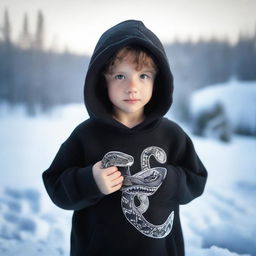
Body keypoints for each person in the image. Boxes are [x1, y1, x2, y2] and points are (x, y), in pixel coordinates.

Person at [42, 20, 207, 256]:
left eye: (143, 76)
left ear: (157, 81)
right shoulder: (86, 135)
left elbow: (196, 179)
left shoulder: (171, 135)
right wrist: (90, 181)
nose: (132, 86)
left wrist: (166, 180)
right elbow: (55, 185)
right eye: (120, 76)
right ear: (103, 80)